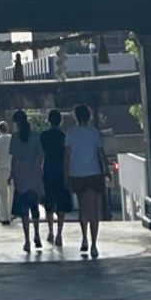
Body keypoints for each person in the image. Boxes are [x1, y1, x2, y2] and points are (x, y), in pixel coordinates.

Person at [64, 102, 109, 257]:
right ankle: (94, 244)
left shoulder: (70, 133)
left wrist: (66, 175)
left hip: (77, 174)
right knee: (94, 209)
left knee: (83, 208)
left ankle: (84, 238)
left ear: (76, 117)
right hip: (94, 172)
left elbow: (67, 156)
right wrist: (106, 169)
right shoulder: (94, 132)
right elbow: (101, 153)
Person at [8, 108, 45, 255]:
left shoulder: (15, 138)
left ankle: (27, 240)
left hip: (20, 174)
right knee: (34, 206)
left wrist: (11, 175)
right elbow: (41, 155)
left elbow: (14, 159)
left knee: (23, 211)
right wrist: (39, 169)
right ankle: (37, 233)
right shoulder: (35, 136)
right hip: (33, 173)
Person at [39, 107, 72, 245]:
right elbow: (67, 157)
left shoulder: (43, 136)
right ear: (61, 121)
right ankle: (59, 232)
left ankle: (51, 231)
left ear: (48, 121)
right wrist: (67, 175)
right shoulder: (65, 137)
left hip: (48, 171)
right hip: (61, 171)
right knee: (61, 205)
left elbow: (41, 157)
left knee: (49, 203)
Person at [0, 119, 12, 227]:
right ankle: (9, 214)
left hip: (0, 167)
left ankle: (4, 217)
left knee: (2, 193)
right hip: (11, 168)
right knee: (11, 192)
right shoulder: (12, 139)